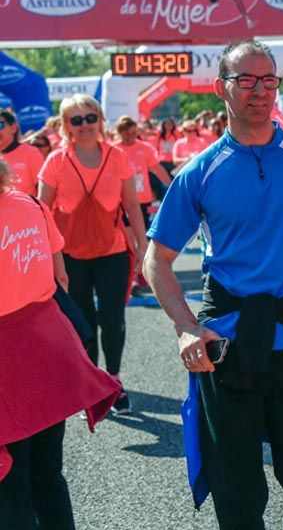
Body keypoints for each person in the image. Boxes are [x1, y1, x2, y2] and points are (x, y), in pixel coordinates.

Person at [143, 40, 283, 530]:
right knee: (236, 503)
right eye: (246, 80)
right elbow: (158, 260)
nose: (260, 91)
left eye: (269, 80)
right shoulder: (200, 171)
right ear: (221, 88)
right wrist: (186, 327)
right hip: (227, 347)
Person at [0, 159, 121, 530]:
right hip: (49, 351)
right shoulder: (31, 205)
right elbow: (61, 278)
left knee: (11, 486)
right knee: (48, 474)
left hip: (8, 363)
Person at [38, 94, 145, 415]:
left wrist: (142, 247)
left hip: (112, 251)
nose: (84, 125)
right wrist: (48, 259)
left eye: (90, 118)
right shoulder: (55, 161)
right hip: (70, 256)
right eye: (76, 120)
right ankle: (90, 383)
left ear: (99, 119)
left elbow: (132, 207)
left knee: (113, 318)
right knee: (82, 321)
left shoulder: (118, 157)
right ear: (66, 126)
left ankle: (113, 380)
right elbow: (42, 213)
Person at [114, 116, 171, 229]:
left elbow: (157, 168)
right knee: (125, 232)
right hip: (119, 199)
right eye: (127, 134)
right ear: (120, 132)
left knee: (141, 230)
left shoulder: (145, 148)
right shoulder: (113, 149)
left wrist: (171, 185)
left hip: (142, 198)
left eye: (133, 133)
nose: (131, 137)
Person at [0, 109, 45, 196]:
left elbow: (43, 192)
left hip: (28, 208)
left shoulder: (31, 153)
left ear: (13, 128)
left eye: (0, 125)